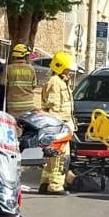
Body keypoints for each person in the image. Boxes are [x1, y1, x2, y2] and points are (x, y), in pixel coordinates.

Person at [39, 50, 76, 195]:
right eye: (67, 69)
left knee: (52, 156)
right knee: (60, 157)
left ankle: (45, 183)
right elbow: (53, 107)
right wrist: (59, 127)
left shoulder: (61, 81)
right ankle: (55, 186)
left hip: (61, 126)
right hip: (59, 126)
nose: (70, 71)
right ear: (60, 67)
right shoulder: (55, 83)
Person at [1, 43, 38, 118]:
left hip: (13, 106)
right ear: (26, 56)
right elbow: (34, 85)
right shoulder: (31, 69)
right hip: (28, 105)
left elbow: (3, 83)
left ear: (14, 55)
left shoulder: (8, 69)